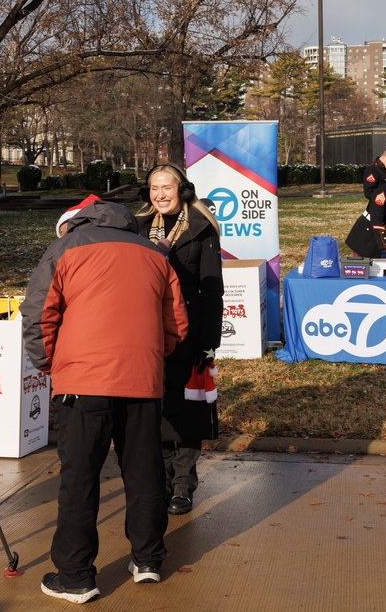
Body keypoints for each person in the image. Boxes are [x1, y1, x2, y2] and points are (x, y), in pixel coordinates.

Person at [22, 197, 188, 602]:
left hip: (82, 380)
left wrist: (49, 364)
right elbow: (177, 323)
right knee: (144, 471)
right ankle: (148, 559)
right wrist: (149, 359)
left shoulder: (64, 248)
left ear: (76, 222)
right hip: (142, 380)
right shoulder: (154, 253)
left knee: (79, 478)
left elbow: (39, 314)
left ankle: (76, 575)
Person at [135, 164, 223, 517]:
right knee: (155, 409)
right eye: (154, 188)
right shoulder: (138, 226)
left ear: (182, 189)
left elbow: (212, 289)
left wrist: (209, 340)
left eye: (167, 187)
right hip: (148, 331)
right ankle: (165, 479)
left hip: (188, 331)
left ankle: (183, 485)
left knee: (185, 411)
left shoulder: (202, 229)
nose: (160, 195)